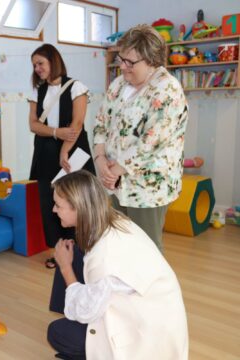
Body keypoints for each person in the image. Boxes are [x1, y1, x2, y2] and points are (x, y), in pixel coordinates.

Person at [47, 170, 188, 360]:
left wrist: (65, 267)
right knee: (76, 254)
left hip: (146, 337)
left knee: (57, 332)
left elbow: (86, 311)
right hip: (159, 310)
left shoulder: (104, 257)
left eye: (58, 205)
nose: (53, 210)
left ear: (78, 207)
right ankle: (71, 313)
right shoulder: (113, 219)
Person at [93, 24, 188, 250]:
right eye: (121, 58)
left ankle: (151, 288)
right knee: (118, 245)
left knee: (146, 251)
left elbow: (150, 143)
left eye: (130, 62)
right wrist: (99, 159)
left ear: (152, 61)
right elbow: (101, 122)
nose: (123, 67)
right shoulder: (118, 84)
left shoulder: (167, 90)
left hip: (147, 188)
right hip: (114, 182)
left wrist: (112, 172)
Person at [28, 43, 95, 270]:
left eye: (41, 63)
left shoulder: (77, 87)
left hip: (74, 149)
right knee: (51, 203)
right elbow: (34, 125)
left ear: (53, 61)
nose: (37, 68)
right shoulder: (36, 90)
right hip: (45, 152)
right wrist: (56, 132)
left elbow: (77, 124)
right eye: (34, 65)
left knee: (76, 201)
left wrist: (64, 148)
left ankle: (81, 249)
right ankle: (59, 252)